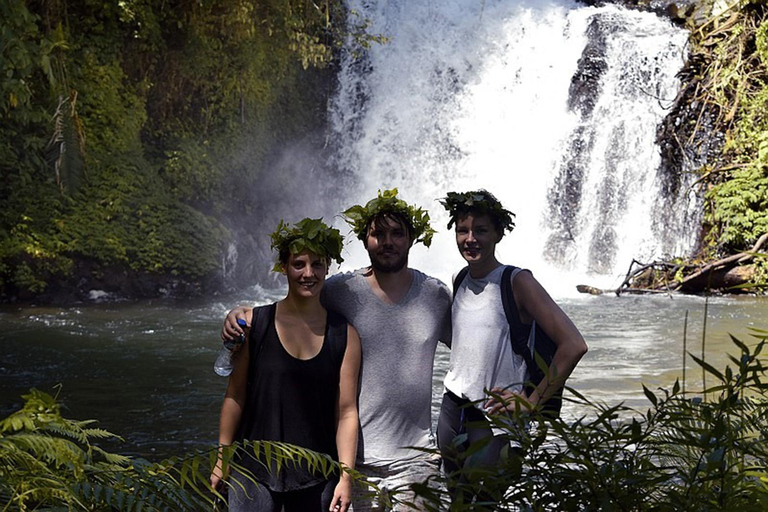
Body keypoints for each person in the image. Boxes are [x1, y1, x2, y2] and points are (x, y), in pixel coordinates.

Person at [222, 189, 452, 511]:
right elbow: (294, 303)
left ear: (411, 238)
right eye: (378, 234)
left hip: (415, 460)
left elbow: (473, 343)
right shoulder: (341, 290)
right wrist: (242, 313)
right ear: (364, 240)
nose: (388, 242)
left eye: (397, 233)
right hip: (353, 461)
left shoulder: (436, 296)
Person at [436, 190, 588, 506]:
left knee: (484, 504)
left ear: (498, 234)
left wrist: (532, 402)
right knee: (457, 503)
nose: (470, 239)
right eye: (463, 230)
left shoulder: (517, 281)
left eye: (480, 230)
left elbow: (573, 345)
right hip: (453, 409)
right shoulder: (460, 277)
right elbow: (467, 342)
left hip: (496, 418)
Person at [211, 218, 362, 512]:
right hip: (252, 471)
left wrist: (346, 478)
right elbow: (235, 394)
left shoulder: (345, 335)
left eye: (317, 264)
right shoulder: (255, 324)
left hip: (317, 475)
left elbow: (346, 412)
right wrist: (222, 458)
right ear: (283, 266)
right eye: (299, 264)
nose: (309, 273)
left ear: (328, 267)